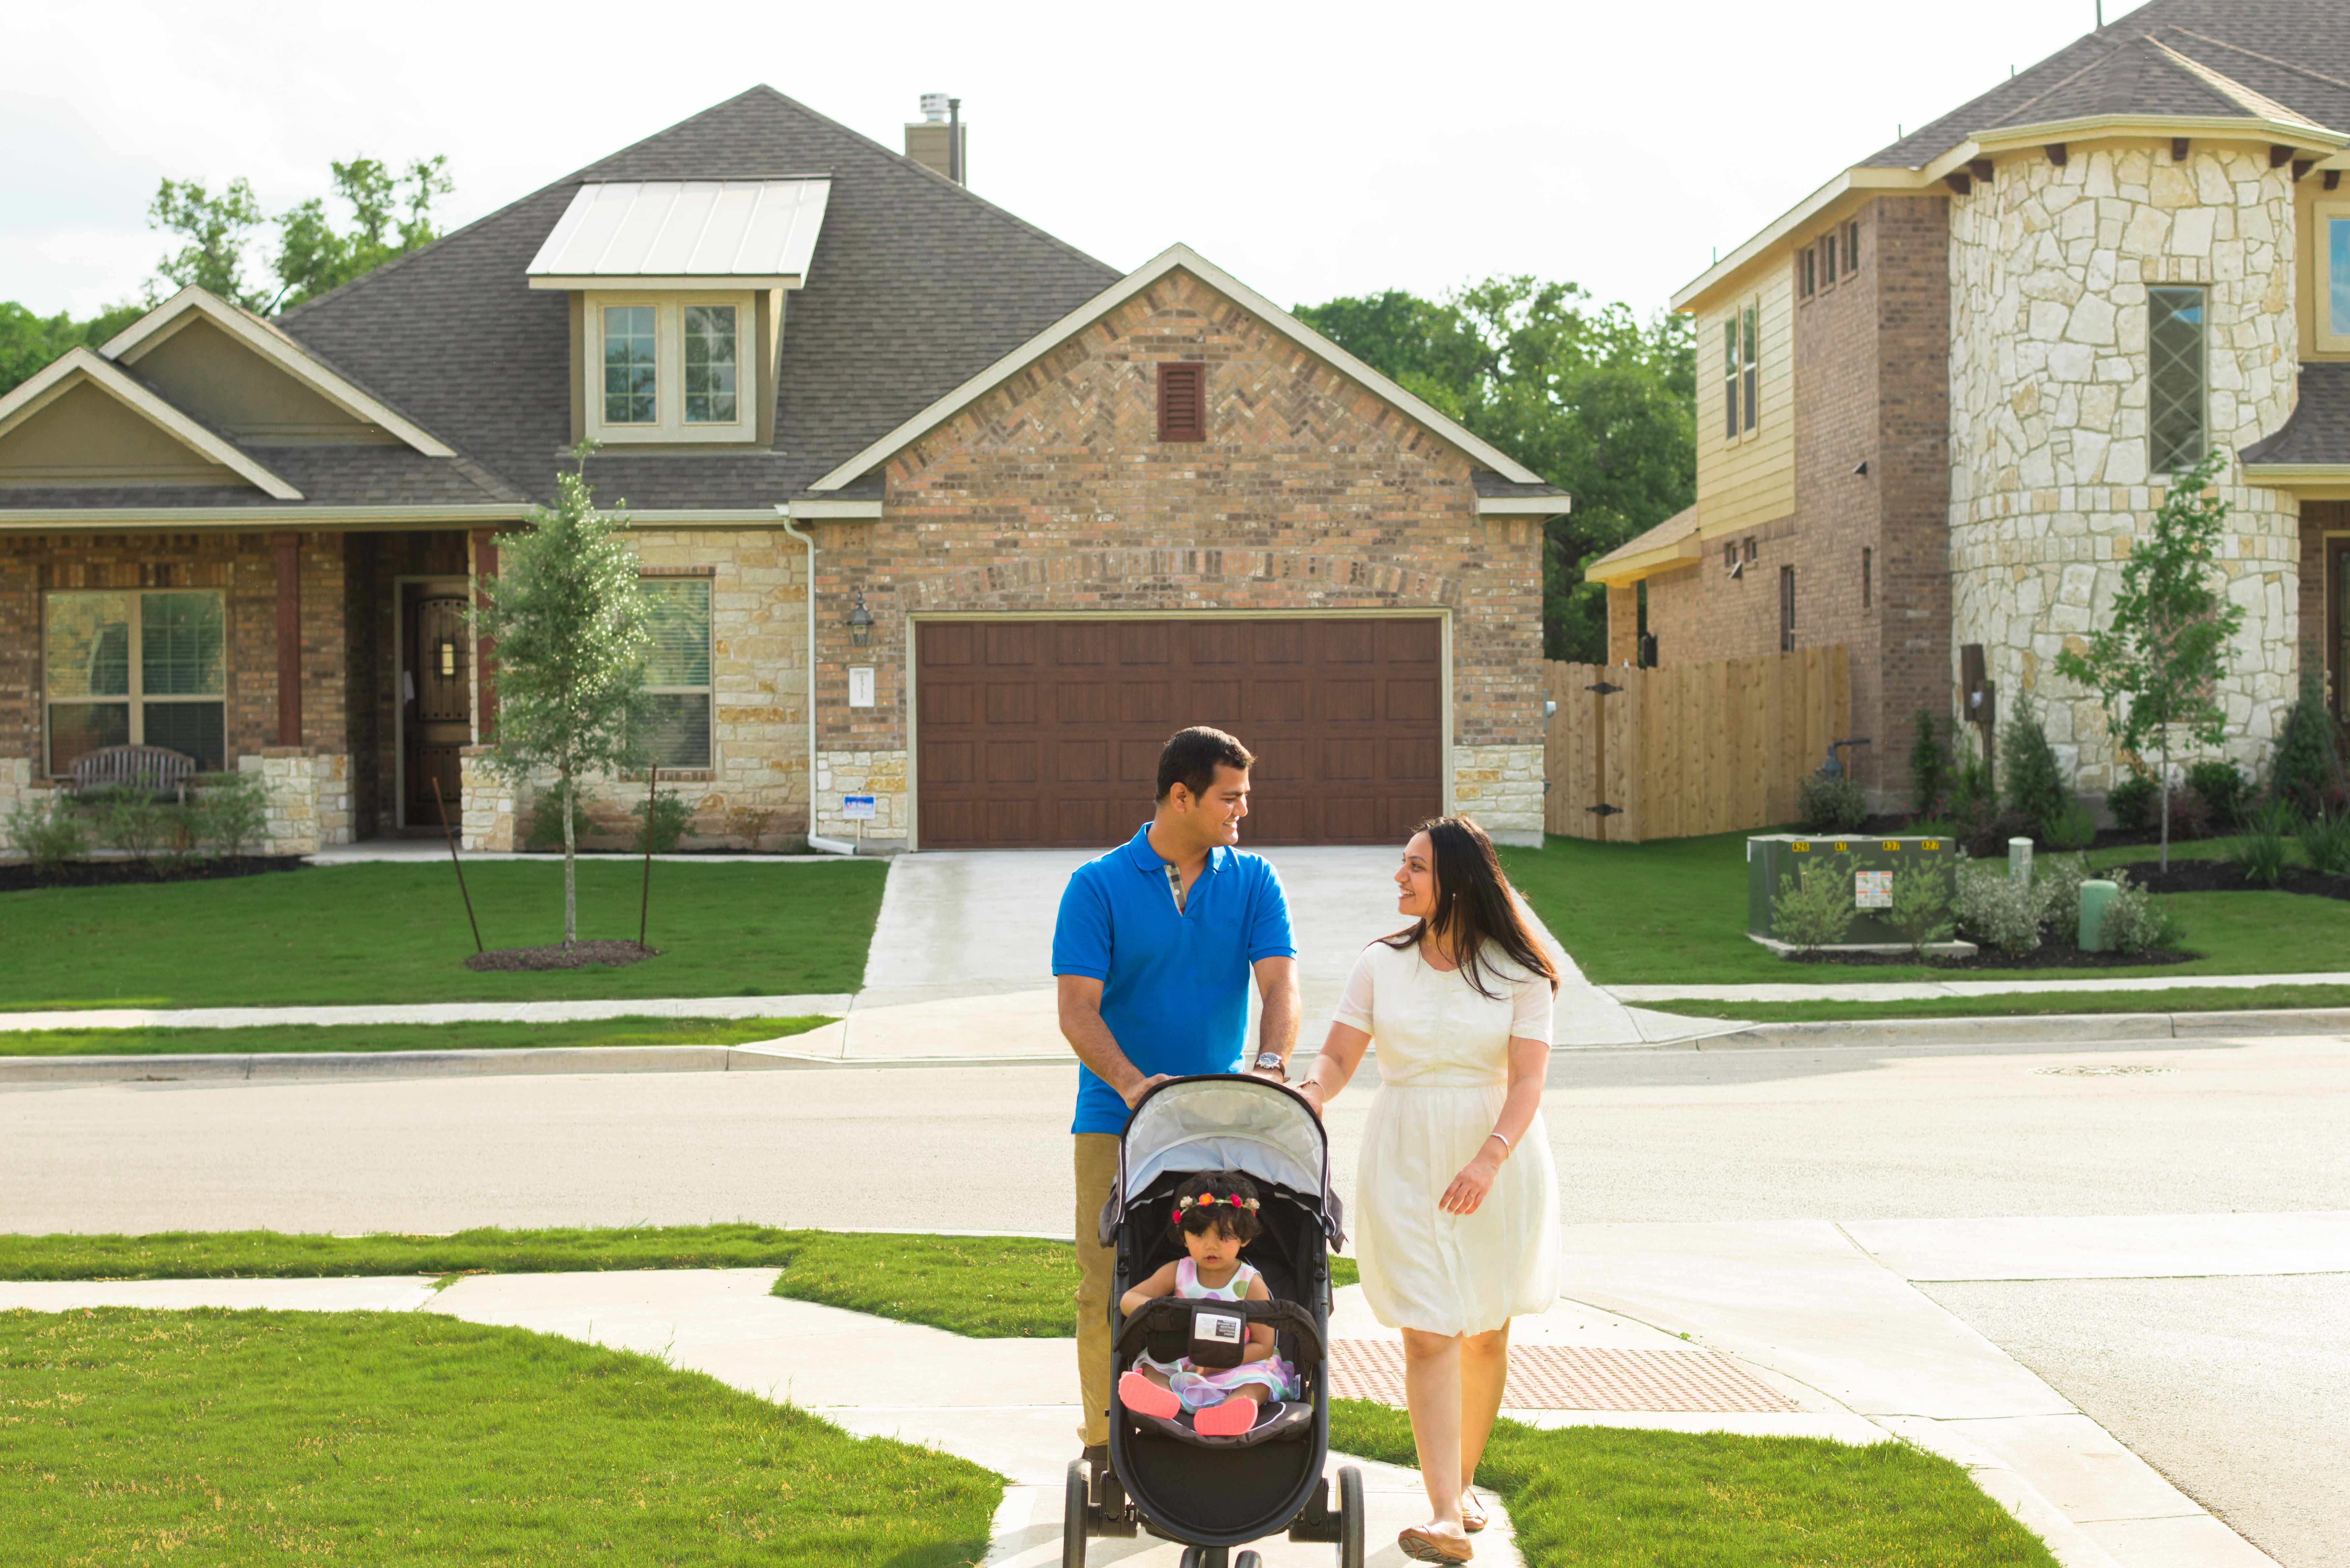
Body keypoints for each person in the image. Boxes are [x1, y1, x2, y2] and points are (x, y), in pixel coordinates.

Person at [1294, 816, 1559, 1565]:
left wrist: (1488, 1158)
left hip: (1495, 1156)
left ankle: (1464, 1481)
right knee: (1426, 1329)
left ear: (1455, 878)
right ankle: (1443, 1512)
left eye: (1412, 866)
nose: (1397, 878)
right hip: (1405, 1153)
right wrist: (1310, 1090)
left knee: (1483, 1331)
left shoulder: (1520, 971)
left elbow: (1529, 1078)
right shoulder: (1379, 962)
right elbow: (1342, 1051)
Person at [1054, 726, 1299, 1481]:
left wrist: (1268, 1063)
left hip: (1218, 1122)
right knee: (1108, 1281)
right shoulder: (1097, 885)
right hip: (1114, 1119)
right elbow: (1076, 1008)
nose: (1242, 811)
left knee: (1229, 1270)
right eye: (1230, 797)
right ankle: (1104, 1445)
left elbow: (1280, 985)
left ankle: (1219, 1411)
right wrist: (1133, 1085)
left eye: (1245, 796)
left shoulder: (1253, 879)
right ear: (1180, 796)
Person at [1115, 1170, 1296, 1437]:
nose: (1211, 1246)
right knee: (1152, 1364)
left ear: (1244, 1238)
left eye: (1224, 1236)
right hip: (1183, 1358)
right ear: (1184, 1235)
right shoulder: (1178, 1271)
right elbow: (1129, 1299)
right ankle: (1163, 1398)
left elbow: (1265, 1345)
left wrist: (1219, 1364)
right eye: (1199, 1234)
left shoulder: (1250, 1283)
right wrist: (1162, 1313)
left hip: (1237, 1363)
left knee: (1259, 1381)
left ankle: (1230, 1411)